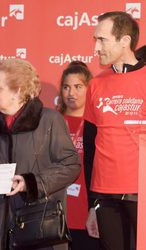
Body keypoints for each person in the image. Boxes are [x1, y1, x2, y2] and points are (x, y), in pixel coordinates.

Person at [0, 58, 81, 250]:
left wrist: (30, 183)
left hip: (37, 231)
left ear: (18, 91)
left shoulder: (50, 121)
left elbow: (70, 166)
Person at [83, 11, 146, 250]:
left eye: (102, 40)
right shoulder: (96, 84)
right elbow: (89, 147)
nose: (96, 47)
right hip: (104, 194)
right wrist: (92, 204)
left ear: (125, 41)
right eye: (95, 40)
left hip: (141, 193)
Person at [58, 61, 100, 250]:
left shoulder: (97, 125)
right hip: (57, 213)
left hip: (88, 211)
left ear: (88, 89)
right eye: (66, 87)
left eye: (78, 87)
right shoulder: (52, 123)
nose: (71, 93)